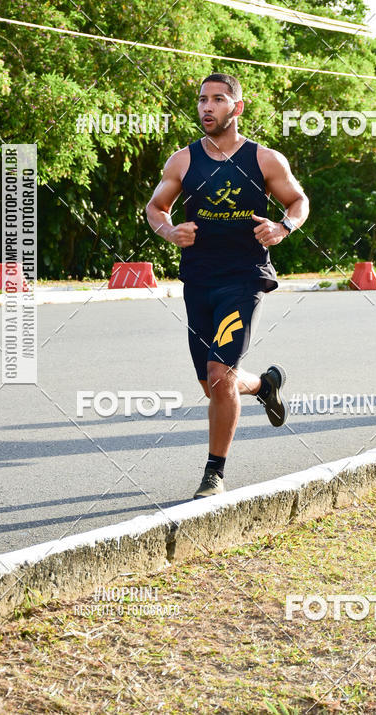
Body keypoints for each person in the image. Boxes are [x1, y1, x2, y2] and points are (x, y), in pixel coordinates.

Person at [146, 73, 309, 498]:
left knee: (220, 377)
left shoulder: (265, 159)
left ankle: (213, 473)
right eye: (202, 99)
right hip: (199, 278)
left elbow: (298, 200)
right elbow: (156, 208)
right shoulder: (182, 161)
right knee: (212, 382)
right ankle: (264, 384)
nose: (207, 107)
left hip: (244, 277)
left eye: (218, 99)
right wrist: (169, 232)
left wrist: (283, 226)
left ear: (236, 108)